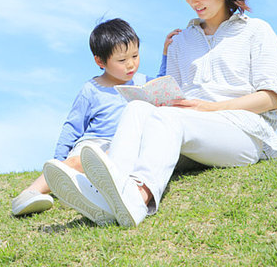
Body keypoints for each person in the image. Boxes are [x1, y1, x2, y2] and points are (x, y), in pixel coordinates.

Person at [45, 0, 277, 227]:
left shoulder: (255, 31)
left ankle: (137, 198)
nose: (193, 0)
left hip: (243, 132)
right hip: (190, 131)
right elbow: (172, 99)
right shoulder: (180, 41)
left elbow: (271, 98)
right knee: (138, 107)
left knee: (170, 119)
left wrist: (212, 107)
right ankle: (109, 193)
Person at [12, 18, 178, 218]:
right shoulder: (91, 89)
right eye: (122, 60)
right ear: (100, 61)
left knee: (110, 165)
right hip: (93, 143)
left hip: (123, 146)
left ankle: (89, 194)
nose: (131, 64)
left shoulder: (142, 81)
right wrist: (59, 160)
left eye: (135, 55)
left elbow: (161, 87)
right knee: (77, 161)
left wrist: (166, 54)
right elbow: (72, 127)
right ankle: (29, 194)